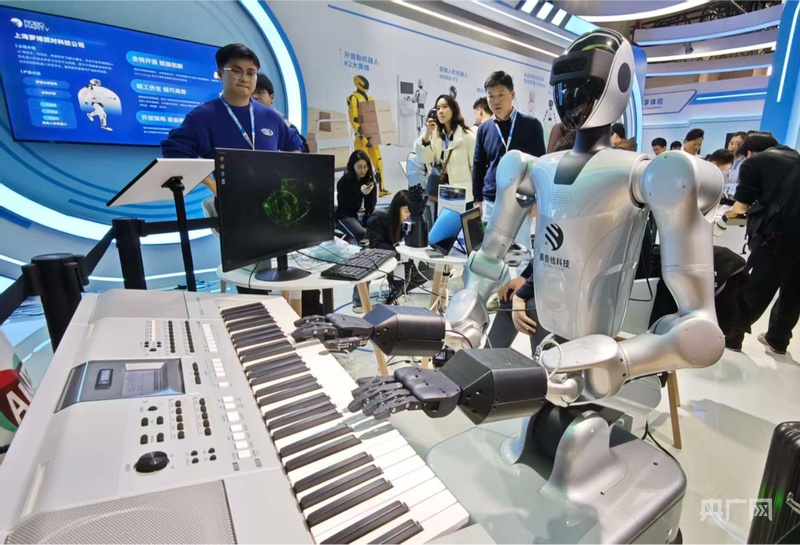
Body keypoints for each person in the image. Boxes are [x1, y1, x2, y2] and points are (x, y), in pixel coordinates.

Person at [161, 43, 303, 194]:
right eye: (236, 71)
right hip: (230, 200)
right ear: (220, 74)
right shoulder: (203, 117)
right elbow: (175, 152)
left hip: (270, 198)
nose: (244, 79)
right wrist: (211, 184)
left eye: (251, 73)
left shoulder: (270, 116)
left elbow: (294, 144)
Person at [724, 133, 800, 355]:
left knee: (755, 286)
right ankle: (778, 339)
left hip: (776, 235)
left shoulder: (755, 163)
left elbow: (740, 207)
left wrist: (726, 217)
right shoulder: (795, 157)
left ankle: (733, 336)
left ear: (749, 152)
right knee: (794, 290)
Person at [473, 70, 545, 253]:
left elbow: (540, 166)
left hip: (520, 200)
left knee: (520, 252)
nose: (496, 101)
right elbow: (479, 165)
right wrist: (477, 200)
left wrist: (537, 201)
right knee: (490, 251)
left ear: (512, 95)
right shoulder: (484, 129)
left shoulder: (531, 125)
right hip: (491, 200)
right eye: (491, 96)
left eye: (501, 95)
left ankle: (521, 274)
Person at [351, 190, 415, 313]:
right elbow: (374, 246)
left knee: (427, 271)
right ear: (397, 208)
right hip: (375, 255)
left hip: (399, 257)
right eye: (406, 211)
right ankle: (359, 301)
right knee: (366, 263)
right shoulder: (378, 218)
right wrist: (398, 250)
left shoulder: (412, 221)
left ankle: (397, 290)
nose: (409, 215)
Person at [415, 94, 476, 202]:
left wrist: (478, 197)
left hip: (463, 195)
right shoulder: (436, 136)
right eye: (438, 108)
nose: (440, 111)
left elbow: (475, 169)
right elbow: (425, 158)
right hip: (442, 193)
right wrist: (428, 133)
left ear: (453, 109)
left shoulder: (467, 137)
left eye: (444, 107)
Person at [347, 75, 390, 196]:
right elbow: (354, 119)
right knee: (361, 166)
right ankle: (358, 191)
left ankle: (381, 188)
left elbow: (375, 118)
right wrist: (363, 137)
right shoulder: (354, 98)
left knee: (378, 161)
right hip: (361, 139)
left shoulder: (369, 98)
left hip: (372, 136)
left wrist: (384, 135)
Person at [253, 73, 309, 153]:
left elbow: (300, 148)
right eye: (252, 92)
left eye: (260, 92)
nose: (254, 96)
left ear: (272, 97)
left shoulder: (283, 123)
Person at [335, 150, 376, 242]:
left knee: (378, 228)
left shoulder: (369, 181)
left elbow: (371, 205)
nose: (363, 170)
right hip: (345, 216)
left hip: (362, 215)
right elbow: (346, 206)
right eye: (359, 167)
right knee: (362, 233)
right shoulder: (343, 182)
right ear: (352, 166)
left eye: (365, 167)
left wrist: (368, 218)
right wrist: (361, 194)